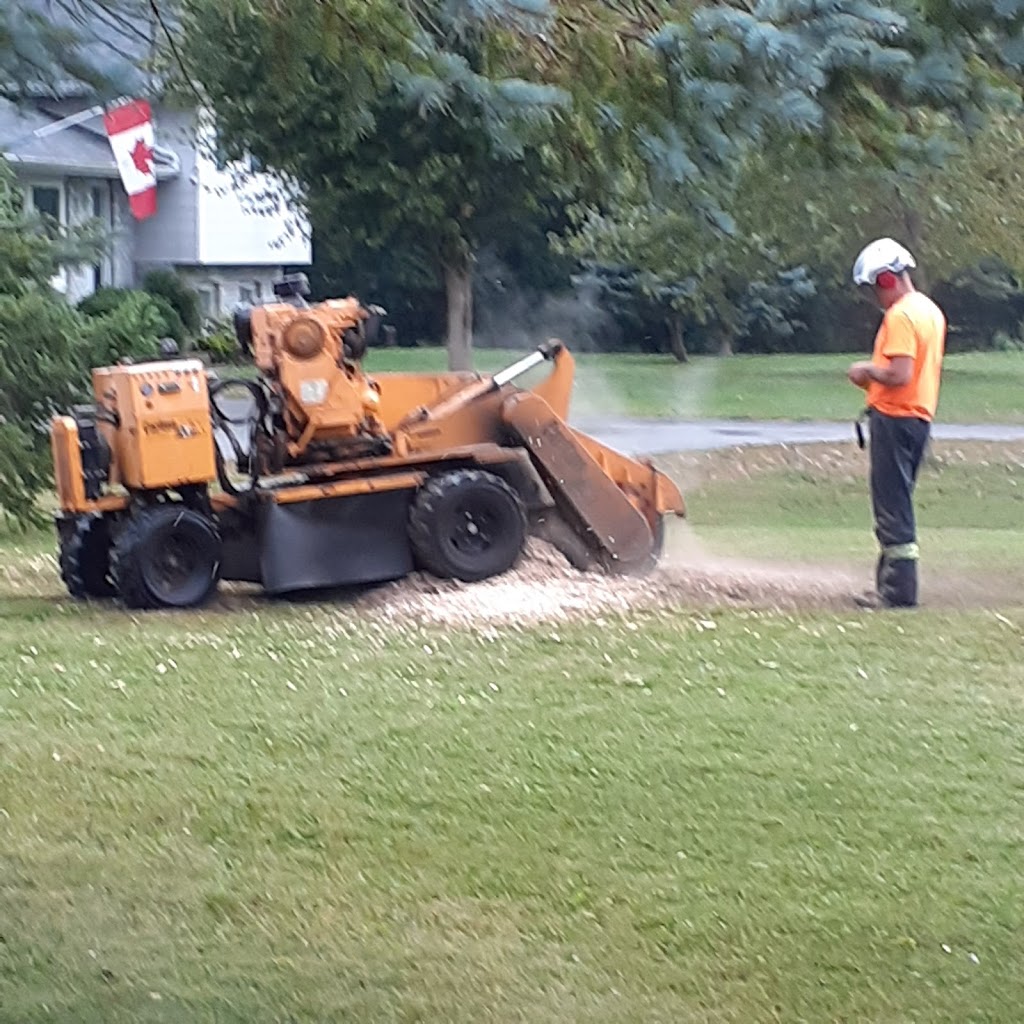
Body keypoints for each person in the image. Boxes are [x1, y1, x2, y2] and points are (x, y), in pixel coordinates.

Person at [847, 237, 946, 608]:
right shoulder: (930, 311)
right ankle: (888, 585)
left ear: (887, 279)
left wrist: (864, 371)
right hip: (918, 419)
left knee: (892, 507)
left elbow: (899, 373)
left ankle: (897, 593)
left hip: (895, 417)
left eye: (876, 288)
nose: (876, 297)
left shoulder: (902, 315)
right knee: (897, 502)